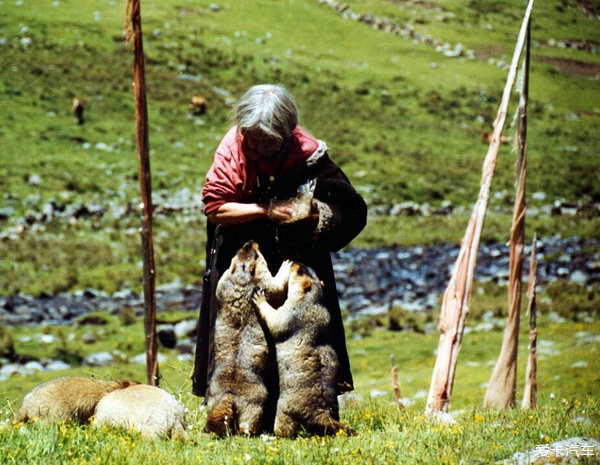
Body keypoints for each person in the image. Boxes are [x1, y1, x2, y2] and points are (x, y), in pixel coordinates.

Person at [192, 84, 367, 401]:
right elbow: (215, 207)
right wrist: (265, 210)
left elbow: (350, 210)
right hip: (242, 255)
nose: (258, 146)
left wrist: (316, 215)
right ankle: (231, 406)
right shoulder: (232, 149)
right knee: (238, 334)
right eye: (252, 138)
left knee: (298, 330)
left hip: (293, 254)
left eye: (268, 141)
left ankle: (303, 404)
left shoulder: (307, 153)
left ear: (287, 133)